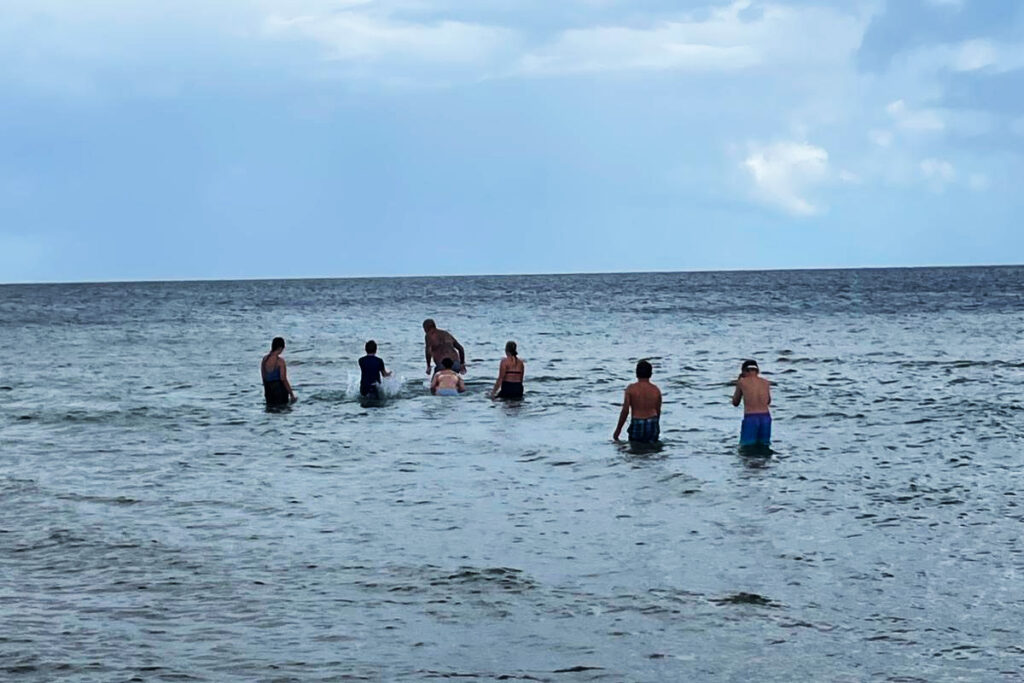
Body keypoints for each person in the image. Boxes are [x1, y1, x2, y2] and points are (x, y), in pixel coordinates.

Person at [613, 360, 662, 442]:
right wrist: (656, 425)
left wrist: (618, 430)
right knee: (652, 451)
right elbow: (658, 411)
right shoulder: (656, 390)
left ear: (636, 373)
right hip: (652, 421)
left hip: (637, 421)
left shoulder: (631, 389)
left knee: (635, 451)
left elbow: (625, 411)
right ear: (651, 374)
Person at [732, 359, 772, 447]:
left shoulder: (742, 382)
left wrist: (739, 382)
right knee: (764, 446)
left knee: (746, 447)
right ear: (757, 371)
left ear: (744, 371)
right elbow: (768, 401)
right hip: (766, 417)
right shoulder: (766, 382)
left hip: (751, 418)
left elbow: (735, 402)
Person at [261, 337, 296, 406]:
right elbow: (283, 379)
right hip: (279, 390)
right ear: (280, 348)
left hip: (268, 390)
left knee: (270, 410)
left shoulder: (265, 359)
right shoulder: (280, 361)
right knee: (282, 411)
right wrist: (291, 394)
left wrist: (266, 390)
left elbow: (263, 376)